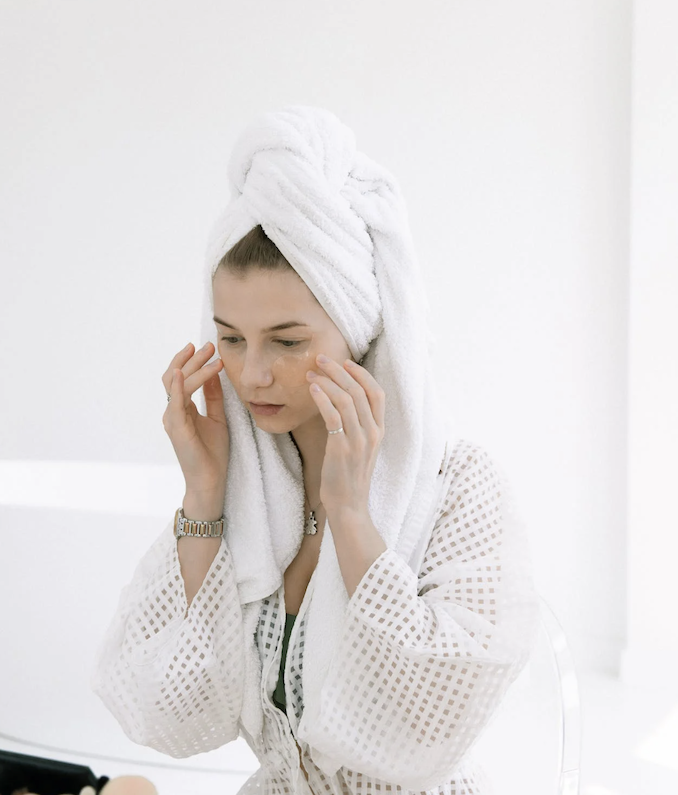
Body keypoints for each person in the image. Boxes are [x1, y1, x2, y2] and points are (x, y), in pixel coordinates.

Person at [91, 107, 538, 794]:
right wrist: (204, 496)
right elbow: (164, 707)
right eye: (232, 339)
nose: (252, 374)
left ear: (356, 331)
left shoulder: (459, 484)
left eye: (288, 341)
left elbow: (435, 719)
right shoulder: (250, 487)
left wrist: (352, 517)